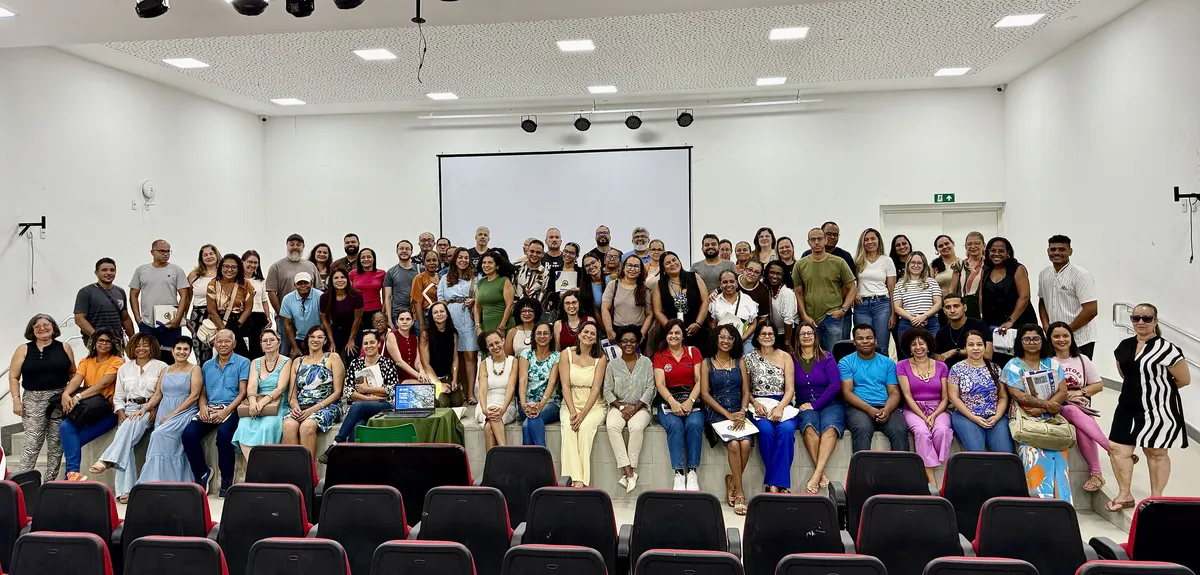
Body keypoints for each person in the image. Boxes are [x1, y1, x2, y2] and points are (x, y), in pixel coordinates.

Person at [1108, 303, 1190, 510]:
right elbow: (1126, 375)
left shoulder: (1168, 349)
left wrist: (1155, 390)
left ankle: (1156, 498)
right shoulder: (1123, 346)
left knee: (1155, 452)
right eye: (1136, 318)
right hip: (1127, 405)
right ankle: (1125, 495)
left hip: (1158, 407)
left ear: (1155, 321)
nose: (1141, 322)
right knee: (1118, 449)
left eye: (1146, 318)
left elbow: (1183, 380)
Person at [89, 332, 166, 501]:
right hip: (129, 408)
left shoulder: (161, 366)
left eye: (145, 344)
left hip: (150, 409)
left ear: (152, 347)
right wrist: (121, 411)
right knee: (127, 442)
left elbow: (162, 392)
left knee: (129, 427)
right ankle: (126, 492)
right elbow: (118, 395)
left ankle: (107, 460)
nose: (141, 348)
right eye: (137, 345)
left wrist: (153, 407)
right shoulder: (124, 368)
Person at [1004, 324, 1071, 503]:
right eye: (1027, 339)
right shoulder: (1013, 365)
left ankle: (1063, 508)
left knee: (1059, 465)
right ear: (1020, 341)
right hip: (1026, 420)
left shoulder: (1053, 363)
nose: (1032, 342)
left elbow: (1062, 391)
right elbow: (1018, 394)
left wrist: (1044, 408)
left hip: (1051, 420)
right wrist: (1048, 405)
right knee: (1033, 464)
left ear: (1042, 341)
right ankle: (1038, 509)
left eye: (1036, 338)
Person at [1048, 322, 1113, 492]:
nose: (1061, 340)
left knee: (1082, 426)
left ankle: (1097, 474)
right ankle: (1110, 448)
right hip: (1057, 405)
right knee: (1070, 410)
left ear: (1071, 338)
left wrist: (1081, 392)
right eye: (1056, 336)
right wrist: (1063, 395)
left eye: (1065, 336)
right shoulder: (1047, 361)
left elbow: (1098, 385)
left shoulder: (1082, 360)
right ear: (1050, 339)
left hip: (1080, 405)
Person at [9, 314, 76, 479]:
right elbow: (13, 377)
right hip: (33, 400)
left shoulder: (65, 347)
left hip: (59, 399)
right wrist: (16, 400)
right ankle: (22, 483)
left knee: (56, 444)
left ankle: (49, 483)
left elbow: (73, 373)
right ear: (31, 330)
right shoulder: (23, 349)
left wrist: (68, 394)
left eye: (46, 324)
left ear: (53, 327)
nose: (42, 328)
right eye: (37, 326)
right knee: (32, 443)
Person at [182, 329, 248, 497]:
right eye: (219, 341)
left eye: (227, 341)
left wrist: (226, 411)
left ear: (234, 344)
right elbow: (202, 393)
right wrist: (203, 407)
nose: (223, 344)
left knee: (224, 435)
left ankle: (227, 479)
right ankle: (202, 473)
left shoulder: (243, 362)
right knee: (188, 434)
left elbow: (242, 393)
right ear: (214, 344)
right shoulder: (207, 365)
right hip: (210, 407)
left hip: (231, 408)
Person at [59, 329, 124, 481]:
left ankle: (70, 474)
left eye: (108, 341)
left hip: (107, 411)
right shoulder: (86, 361)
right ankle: (73, 474)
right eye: (100, 340)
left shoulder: (117, 361)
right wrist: (66, 394)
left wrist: (78, 397)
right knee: (65, 427)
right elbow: (76, 380)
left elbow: (103, 384)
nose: (104, 344)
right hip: (88, 410)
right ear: (94, 343)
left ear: (113, 344)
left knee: (72, 442)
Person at [700, 324, 752, 514]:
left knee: (745, 444)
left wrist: (743, 410)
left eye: (730, 338)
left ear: (734, 341)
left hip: (739, 409)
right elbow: (705, 394)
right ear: (716, 340)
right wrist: (727, 414)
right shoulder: (707, 363)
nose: (725, 341)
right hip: (718, 411)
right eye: (722, 337)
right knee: (733, 445)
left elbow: (746, 391)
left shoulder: (740, 362)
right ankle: (740, 493)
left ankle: (732, 481)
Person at [137, 337, 203, 486]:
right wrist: (145, 409)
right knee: (162, 441)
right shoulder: (165, 369)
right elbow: (158, 395)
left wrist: (173, 415)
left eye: (185, 349)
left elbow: (194, 396)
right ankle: (159, 481)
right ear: (173, 351)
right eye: (178, 349)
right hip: (164, 410)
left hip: (184, 411)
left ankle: (167, 480)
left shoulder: (195, 369)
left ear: (190, 351)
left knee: (158, 435)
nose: (182, 352)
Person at [745, 323, 798, 493]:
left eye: (771, 334)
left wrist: (780, 407)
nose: (767, 337)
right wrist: (755, 403)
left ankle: (773, 485)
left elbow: (790, 388)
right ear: (757, 337)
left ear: (775, 336)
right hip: (758, 405)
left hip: (782, 403)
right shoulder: (749, 359)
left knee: (787, 431)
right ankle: (779, 486)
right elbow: (746, 390)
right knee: (766, 432)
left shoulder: (785, 357)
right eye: (763, 334)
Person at [792, 321, 844, 494]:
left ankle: (816, 475)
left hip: (830, 403)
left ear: (815, 337)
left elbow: (835, 385)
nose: (806, 336)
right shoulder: (792, 359)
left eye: (810, 333)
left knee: (830, 428)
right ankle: (821, 473)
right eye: (802, 334)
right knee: (808, 428)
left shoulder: (827, 357)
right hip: (804, 405)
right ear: (797, 338)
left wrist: (815, 405)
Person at [653, 319, 705, 491]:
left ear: (683, 335)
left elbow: (700, 380)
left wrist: (690, 401)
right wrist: (673, 403)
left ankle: (691, 472)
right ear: (665, 336)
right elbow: (660, 384)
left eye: (677, 333)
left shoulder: (693, 352)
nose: (673, 336)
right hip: (669, 401)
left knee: (694, 424)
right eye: (670, 333)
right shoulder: (660, 356)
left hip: (692, 399)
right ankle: (678, 473)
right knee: (675, 426)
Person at [896, 328, 951, 486]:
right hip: (914, 408)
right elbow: (907, 396)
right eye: (914, 344)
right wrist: (923, 416)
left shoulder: (941, 366)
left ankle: (939, 463)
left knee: (942, 431)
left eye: (922, 343)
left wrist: (933, 416)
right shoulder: (902, 365)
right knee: (922, 432)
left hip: (938, 407)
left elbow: (946, 397)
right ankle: (931, 478)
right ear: (909, 348)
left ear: (928, 346)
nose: (918, 347)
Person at [603, 326, 655, 493]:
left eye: (632, 341)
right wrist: (623, 407)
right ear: (619, 343)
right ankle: (629, 472)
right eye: (624, 341)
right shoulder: (612, 365)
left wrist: (635, 408)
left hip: (641, 408)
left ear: (638, 342)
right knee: (612, 426)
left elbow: (650, 388)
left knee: (636, 427)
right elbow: (607, 390)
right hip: (619, 407)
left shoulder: (646, 363)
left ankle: (629, 472)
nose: (628, 344)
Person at [840, 324, 906, 453]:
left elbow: (894, 392)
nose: (865, 341)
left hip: (885, 406)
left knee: (899, 429)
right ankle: (862, 473)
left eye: (869, 338)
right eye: (860, 338)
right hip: (858, 407)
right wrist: (870, 409)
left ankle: (901, 471)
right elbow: (847, 392)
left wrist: (886, 409)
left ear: (875, 340)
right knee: (862, 428)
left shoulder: (888, 363)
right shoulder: (845, 362)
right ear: (854, 341)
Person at [558, 321, 608, 487]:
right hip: (570, 402)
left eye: (592, 334)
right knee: (569, 428)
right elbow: (565, 385)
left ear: (596, 339)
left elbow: (595, 389)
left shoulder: (601, 358)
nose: (588, 335)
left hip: (593, 405)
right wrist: (573, 412)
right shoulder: (566, 354)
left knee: (585, 428)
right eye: (585, 332)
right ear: (578, 334)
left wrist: (583, 414)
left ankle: (583, 480)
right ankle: (572, 479)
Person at [283, 326, 346, 456]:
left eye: (320, 337)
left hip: (327, 406)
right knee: (288, 426)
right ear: (307, 339)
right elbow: (292, 395)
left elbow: (338, 392)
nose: (315, 340)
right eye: (312, 337)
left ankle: (309, 472)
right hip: (301, 406)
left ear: (325, 341)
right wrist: (296, 408)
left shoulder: (332, 357)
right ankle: (294, 470)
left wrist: (312, 410)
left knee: (307, 426)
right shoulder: (298, 361)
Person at [947, 331, 1012, 452]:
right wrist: (973, 417)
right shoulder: (956, 369)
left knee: (1005, 452)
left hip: (994, 415)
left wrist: (997, 416)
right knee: (976, 451)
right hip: (966, 415)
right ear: (965, 348)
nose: (976, 348)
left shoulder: (995, 368)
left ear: (984, 347)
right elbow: (953, 398)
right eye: (971, 345)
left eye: (979, 344)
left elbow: (1003, 397)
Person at [231, 329, 291, 460]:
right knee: (243, 426)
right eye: (265, 341)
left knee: (266, 427)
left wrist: (263, 403)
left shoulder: (286, 361)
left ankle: (263, 467)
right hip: (256, 402)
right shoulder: (255, 362)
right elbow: (251, 386)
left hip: (276, 403)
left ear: (279, 342)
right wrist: (253, 402)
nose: (268, 343)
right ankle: (252, 468)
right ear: (261, 344)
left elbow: (281, 388)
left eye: (272, 340)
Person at [794, 228, 857, 351]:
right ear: (808, 242)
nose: (816, 242)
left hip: (832, 317)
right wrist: (804, 315)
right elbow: (798, 293)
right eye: (813, 239)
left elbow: (852, 287)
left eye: (820, 239)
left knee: (833, 355)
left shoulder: (839, 262)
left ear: (825, 240)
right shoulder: (800, 264)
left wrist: (843, 310)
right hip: (810, 318)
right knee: (812, 355)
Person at [334, 330, 399, 446]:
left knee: (358, 405)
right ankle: (351, 458)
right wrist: (371, 398)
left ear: (379, 344)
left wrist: (367, 390)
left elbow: (392, 389)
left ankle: (338, 442)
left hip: (384, 405)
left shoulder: (387, 363)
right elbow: (349, 391)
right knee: (358, 426)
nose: (369, 346)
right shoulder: (355, 363)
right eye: (366, 343)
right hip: (365, 405)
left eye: (372, 342)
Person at [129, 240, 191, 363]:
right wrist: (137, 318)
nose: (166, 254)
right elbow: (133, 294)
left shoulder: (176, 270)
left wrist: (178, 318)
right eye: (162, 251)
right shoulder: (141, 270)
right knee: (148, 357)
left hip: (170, 322)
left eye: (168, 251)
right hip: (148, 323)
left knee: (171, 356)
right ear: (152, 252)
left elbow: (184, 295)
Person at [1038, 235, 1099, 358]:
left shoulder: (1081, 275)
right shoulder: (1044, 273)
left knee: (1077, 375)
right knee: (1056, 373)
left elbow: (1091, 310)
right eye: (1053, 249)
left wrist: (1066, 331)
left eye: (1061, 249)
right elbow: (1042, 301)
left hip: (1080, 339)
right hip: (1053, 339)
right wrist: (1046, 327)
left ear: (1070, 251)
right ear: (1048, 251)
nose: (1056, 253)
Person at [981, 237, 1037, 359]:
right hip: (994, 323)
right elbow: (982, 294)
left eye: (1001, 251)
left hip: (1018, 321)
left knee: (1020, 358)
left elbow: (1025, 296)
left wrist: (1011, 320)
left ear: (1008, 253)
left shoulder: (1017, 268)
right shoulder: (986, 269)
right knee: (998, 359)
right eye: (993, 250)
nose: (996, 254)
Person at [267, 235, 320, 358]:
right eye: (292, 244)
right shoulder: (276, 266)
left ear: (303, 247)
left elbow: (319, 290)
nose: (295, 247)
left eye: (298, 244)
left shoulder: (311, 266)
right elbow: (271, 292)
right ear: (287, 245)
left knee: (309, 348)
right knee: (285, 350)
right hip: (285, 316)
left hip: (308, 317)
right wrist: (281, 313)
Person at [440, 248, 479, 397]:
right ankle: (462, 389)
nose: (463, 260)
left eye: (466, 258)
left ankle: (470, 393)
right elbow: (441, 299)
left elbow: (480, 298)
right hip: (452, 316)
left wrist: (474, 300)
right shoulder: (444, 279)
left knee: (470, 354)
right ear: (454, 259)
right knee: (458, 354)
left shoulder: (475, 278)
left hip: (469, 317)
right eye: (460, 257)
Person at [853, 228, 897, 355]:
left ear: (878, 241)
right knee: (863, 343)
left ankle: (882, 374)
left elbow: (892, 288)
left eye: (873, 238)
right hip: (862, 305)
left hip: (882, 304)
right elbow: (850, 283)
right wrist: (855, 294)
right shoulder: (857, 261)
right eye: (866, 239)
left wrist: (893, 313)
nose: (869, 242)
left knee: (881, 345)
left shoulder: (887, 261)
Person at [654, 251, 710, 350]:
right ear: (663, 269)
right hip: (673, 335)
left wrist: (698, 323)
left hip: (698, 329)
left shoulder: (694, 277)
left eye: (674, 260)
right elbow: (657, 311)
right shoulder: (660, 285)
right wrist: (672, 330)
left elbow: (705, 301)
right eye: (667, 263)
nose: (672, 264)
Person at [519, 322, 561, 446]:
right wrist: (523, 403)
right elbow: (523, 380)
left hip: (550, 403)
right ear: (534, 336)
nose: (542, 336)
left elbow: (552, 382)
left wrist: (541, 404)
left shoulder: (557, 356)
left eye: (545, 333)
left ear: (551, 336)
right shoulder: (526, 354)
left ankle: (535, 461)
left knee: (528, 424)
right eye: (539, 333)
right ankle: (544, 460)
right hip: (526, 404)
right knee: (530, 419)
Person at [893, 251, 943, 355]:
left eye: (919, 263)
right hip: (907, 323)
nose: (916, 265)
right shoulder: (899, 284)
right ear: (908, 264)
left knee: (931, 355)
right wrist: (913, 319)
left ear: (924, 265)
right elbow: (897, 307)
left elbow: (938, 304)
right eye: (913, 262)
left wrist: (924, 316)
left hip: (930, 323)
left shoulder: (932, 282)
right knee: (907, 356)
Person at [476, 330, 519, 450]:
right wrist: (484, 409)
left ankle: (492, 466)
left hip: (506, 404)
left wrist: (503, 409)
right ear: (487, 347)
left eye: (497, 342)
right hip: (486, 404)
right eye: (491, 345)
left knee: (489, 427)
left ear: (503, 341)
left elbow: (511, 387)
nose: (495, 347)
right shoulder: (484, 363)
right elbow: (483, 390)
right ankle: (504, 451)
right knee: (492, 418)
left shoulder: (513, 361)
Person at [74, 258, 135, 342]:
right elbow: (79, 319)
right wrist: (97, 337)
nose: (109, 273)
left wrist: (133, 339)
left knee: (117, 356)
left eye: (112, 270)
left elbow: (125, 318)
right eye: (104, 270)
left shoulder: (120, 291)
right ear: (96, 273)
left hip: (117, 340)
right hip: (96, 342)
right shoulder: (86, 292)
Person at [206, 253, 255, 358]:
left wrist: (237, 325)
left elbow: (248, 308)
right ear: (221, 268)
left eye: (233, 267)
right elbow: (212, 311)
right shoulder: (213, 284)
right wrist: (224, 330)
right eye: (226, 266)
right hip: (219, 322)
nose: (229, 270)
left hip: (240, 324)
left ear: (238, 269)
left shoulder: (245, 284)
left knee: (243, 357)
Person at [421, 302, 464, 407]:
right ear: (431, 315)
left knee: (458, 402)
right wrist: (438, 384)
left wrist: (454, 379)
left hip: (447, 375)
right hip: (432, 376)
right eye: (435, 312)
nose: (439, 314)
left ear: (447, 314)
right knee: (443, 404)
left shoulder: (453, 333)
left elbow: (454, 358)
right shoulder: (425, 334)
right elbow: (425, 364)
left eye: (442, 311)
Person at [603, 255, 653, 343]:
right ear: (623, 267)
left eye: (636, 266)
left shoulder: (645, 289)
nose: (632, 269)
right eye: (629, 265)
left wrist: (642, 334)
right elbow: (605, 309)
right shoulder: (613, 285)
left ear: (641, 270)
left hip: (638, 331)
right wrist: (610, 331)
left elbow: (649, 314)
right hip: (617, 331)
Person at [935, 293, 992, 368]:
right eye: (948, 307)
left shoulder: (979, 326)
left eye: (956, 306)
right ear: (944, 311)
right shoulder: (941, 333)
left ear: (964, 308)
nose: (952, 310)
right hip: (951, 373)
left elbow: (988, 356)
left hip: (978, 369)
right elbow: (937, 357)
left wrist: (956, 352)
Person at [187, 244, 221, 364]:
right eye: (205, 255)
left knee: (221, 348)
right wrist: (185, 317)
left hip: (219, 314)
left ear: (216, 255)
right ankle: (202, 380)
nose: (209, 257)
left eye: (211, 254)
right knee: (201, 351)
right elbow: (187, 298)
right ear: (201, 258)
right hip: (198, 315)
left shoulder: (223, 273)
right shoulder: (194, 275)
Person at [320, 269, 364, 360]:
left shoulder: (356, 295)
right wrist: (331, 341)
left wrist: (351, 340)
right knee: (332, 354)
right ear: (331, 281)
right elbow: (325, 320)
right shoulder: (325, 297)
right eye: (336, 278)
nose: (339, 280)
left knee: (350, 354)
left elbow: (357, 319)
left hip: (354, 329)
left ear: (347, 280)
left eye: (342, 277)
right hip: (336, 329)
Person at [709, 270, 758, 350]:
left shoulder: (747, 300)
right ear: (720, 284)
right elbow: (712, 324)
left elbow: (753, 324)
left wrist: (741, 339)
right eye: (725, 282)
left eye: (732, 281)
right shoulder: (715, 301)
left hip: (745, 342)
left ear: (736, 283)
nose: (729, 285)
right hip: (723, 343)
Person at [374, 311, 427, 383]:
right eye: (401, 319)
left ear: (412, 322)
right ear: (397, 322)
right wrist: (418, 375)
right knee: (423, 384)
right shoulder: (392, 335)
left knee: (428, 383)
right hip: (394, 377)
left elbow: (417, 362)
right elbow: (398, 361)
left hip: (411, 376)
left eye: (408, 319)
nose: (405, 322)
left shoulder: (415, 338)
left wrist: (421, 371)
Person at [279, 273, 323, 358]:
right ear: (294, 285)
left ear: (311, 283)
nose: (303, 285)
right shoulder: (287, 299)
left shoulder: (320, 296)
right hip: (300, 337)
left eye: (306, 282)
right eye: (299, 283)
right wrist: (295, 347)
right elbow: (287, 324)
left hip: (318, 337)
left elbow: (325, 321)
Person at [241, 251, 272, 359]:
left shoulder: (260, 281)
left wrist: (268, 317)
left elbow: (264, 300)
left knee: (258, 349)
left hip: (259, 316)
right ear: (242, 262)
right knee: (244, 348)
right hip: (243, 316)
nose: (252, 265)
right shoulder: (237, 281)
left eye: (255, 263)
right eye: (249, 262)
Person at [476, 250, 516, 335]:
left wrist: (502, 326)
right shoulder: (480, 283)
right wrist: (478, 326)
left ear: (497, 266)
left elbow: (510, 305)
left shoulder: (504, 281)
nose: (486, 265)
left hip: (503, 325)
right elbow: (477, 307)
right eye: (484, 262)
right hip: (486, 326)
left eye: (490, 263)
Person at [350, 248, 387, 335]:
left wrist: (383, 312)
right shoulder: (352, 273)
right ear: (359, 260)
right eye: (363, 257)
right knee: (359, 338)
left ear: (373, 259)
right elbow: (349, 294)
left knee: (375, 339)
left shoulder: (382, 273)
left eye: (369, 257)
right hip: (358, 312)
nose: (366, 259)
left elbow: (386, 296)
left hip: (376, 312)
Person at [384, 240, 419, 330]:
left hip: (417, 314)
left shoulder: (420, 269)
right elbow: (388, 297)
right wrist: (389, 319)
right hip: (397, 315)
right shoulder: (391, 272)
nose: (404, 251)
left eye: (407, 249)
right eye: (401, 248)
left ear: (411, 251)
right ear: (397, 251)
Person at [931, 235, 964, 327]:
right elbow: (930, 287)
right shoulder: (933, 265)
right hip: (941, 307)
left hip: (958, 306)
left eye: (947, 243)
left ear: (952, 243)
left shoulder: (963, 263)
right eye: (941, 246)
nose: (944, 247)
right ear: (937, 249)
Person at [764, 261, 797, 344]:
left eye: (778, 274)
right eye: (771, 272)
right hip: (772, 332)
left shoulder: (787, 292)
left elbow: (789, 319)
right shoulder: (766, 286)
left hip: (788, 334)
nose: (774, 276)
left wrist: (787, 342)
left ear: (784, 276)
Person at [411, 250, 442, 333]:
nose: (431, 263)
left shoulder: (441, 278)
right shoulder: (419, 278)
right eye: (428, 260)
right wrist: (422, 324)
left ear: (438, 262)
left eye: (434, 260)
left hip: (439, 317)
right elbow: (417, 301)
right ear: (424, 262)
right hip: (424, 317)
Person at [958, 232, 986, 319]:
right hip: (963, 304)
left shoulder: (988, 265)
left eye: (977, 243)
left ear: (984, 246)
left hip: (983, 305)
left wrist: (981, 313)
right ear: (966, 246)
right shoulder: (959, 264)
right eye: (969, 244)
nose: (973, 247)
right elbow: (952, 288)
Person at [738, 260, 772, 330]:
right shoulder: (733, 280)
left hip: (748, 328)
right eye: (749, 270)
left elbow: (762, 318)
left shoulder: (763, 292)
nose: (752, 273)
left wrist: (752, 331)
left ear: (760, 276)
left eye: (756, 272)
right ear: (744, 270)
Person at [514, 239, 551, 305]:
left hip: (535, 312)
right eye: (532, 251)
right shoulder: (516, 268)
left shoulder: (546, 274)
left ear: (543, 254)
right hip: (515, 310)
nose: (534, 254)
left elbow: (544, 297)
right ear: (527, 252)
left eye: (538, 252)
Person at [581, 254, 607, 320]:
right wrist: (605, 329)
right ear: (585, 270)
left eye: (593, 262)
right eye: (587, 265)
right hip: (601, 323)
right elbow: (596, 314)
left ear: (599, 262)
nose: (591, 266)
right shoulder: (586, 288)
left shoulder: (612, 278)